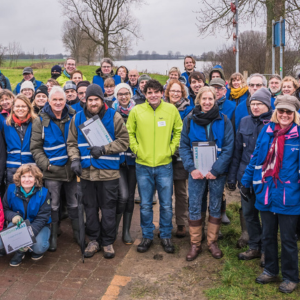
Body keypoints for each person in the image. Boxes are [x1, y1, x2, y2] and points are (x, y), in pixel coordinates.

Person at [241, 95, 300, 294]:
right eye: (281, 111)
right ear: (276, 112)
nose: (284, 115)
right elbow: (255, 157)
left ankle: (291, 276)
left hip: (288, 195)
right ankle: (271, 270)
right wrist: (246, 181)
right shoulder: (267, 131)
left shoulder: (298, 135)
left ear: (294, 114)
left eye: (288, 112)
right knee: (267, 235)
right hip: (266, 192)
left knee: (288, 239)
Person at [67, 84, 129, 259]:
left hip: (108, 173)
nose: (93, 103)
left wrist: (104, 149)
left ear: (102, 100)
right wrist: (75, 160)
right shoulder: (77, 118)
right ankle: (93, 240)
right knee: (90, 208)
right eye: (90, 100)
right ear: (85, 100)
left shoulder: (114, 116)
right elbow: (71, 143)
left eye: (96, 99)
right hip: (86, 173)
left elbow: (124, 142)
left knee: (109, 208)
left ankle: (107, 242)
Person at [127, 79, 182, 254]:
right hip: (142, 165)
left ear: (161, 93)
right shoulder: (136, 111)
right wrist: (137, 150)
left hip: (164, 164)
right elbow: (129, 132)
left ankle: (165, 235)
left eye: (156, 92)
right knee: (144, 204)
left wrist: (172, 149)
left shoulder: (171, 110)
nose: (153, 95)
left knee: (166, 204)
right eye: (149, 92)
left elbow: (179, 131)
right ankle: (147, 236)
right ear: (144, 94)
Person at [179, 86, 234, 261]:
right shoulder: (189, 119)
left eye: (210, 99)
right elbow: (184, 146)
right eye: (204, 99)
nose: (207, 102)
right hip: (196, 171)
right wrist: (191, 168)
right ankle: (195, 243)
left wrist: (216, 170)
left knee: (215, 205)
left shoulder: (223, 120)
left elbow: (228, 147)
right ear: (199, 100)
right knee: (194, 204)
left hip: (217, 172)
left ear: (215, 100)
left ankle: (212, 242)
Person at [31, 86, 79, 252]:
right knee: (54, 205)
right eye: (55, 100)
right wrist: (46, 165)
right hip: (52, 171)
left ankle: (78, 233)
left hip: (72, 170)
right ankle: (52, 235)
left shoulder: (74, 116)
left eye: (61, 100)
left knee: (74, 202)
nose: (58, 103)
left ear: (66, 100)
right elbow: (36, 147)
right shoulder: (40, 121)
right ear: (49, 101)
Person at [227, 88, 272, 265]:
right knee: (249, 213)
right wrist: (232, 177)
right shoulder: (244, 122)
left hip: (266, 178)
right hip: (245, 176)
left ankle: (267, 251)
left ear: (267, 105)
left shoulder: (273, 124)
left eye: (259, 104)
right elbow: (237, 152)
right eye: (252, 103)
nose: (255, 107)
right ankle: (254, 246)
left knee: (267, 216)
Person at [1, 164, 51, 266]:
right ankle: (21, 249)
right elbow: (5, 209)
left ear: (36, 179)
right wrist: (13, 216)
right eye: (23, 176)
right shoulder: (11, 190)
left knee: (39, 247)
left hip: (38, 225)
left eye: (30, 176)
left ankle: (22, 251)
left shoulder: (44, 193)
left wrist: (28, 235)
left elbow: (43, 217)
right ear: (19, 178)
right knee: (1, 244)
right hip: (18, 223)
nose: (26, 180)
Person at [165, 79, 191, 237]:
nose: (175, 94)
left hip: (181, 156)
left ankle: (181, 222)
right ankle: (166, 222)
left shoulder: (188, 110)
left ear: (183, 94)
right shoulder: (161, 108)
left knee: (181, 192)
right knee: (165, 191)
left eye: (178, 91)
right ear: (168, 93)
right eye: (172, 91)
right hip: (164, 155)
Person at [112, 83, 136, 244]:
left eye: (126, 93)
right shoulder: (112, 112)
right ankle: (113, 228)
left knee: (131, 196)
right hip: (118, 160)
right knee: (123, 195)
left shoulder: (137, 111)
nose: (123, 96)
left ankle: (126, 230)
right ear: (116, 96)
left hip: (134, 160)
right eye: (120, 94)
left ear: (130, 94)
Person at [3, 94, 37, 186]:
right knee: (13, 198)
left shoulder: (36, 123)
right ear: (13, 108)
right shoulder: (6, 125)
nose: (20, 109)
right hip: (12, 169)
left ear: (28, 108)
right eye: (17, 106)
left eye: (23, 106)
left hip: (31, 168)